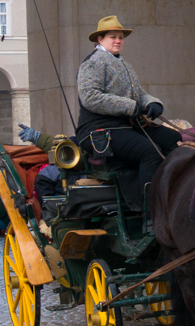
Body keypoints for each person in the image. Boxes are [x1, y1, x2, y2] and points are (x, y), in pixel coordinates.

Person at [76, 16, 180, 194]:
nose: (118, 41)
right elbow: (90, 97)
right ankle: (150, 213)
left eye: (120, 37)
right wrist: (130, 107)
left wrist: (153, 103)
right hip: (98, 131)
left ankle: (171, 191)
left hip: (125, 128)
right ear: (100, 39)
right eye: (113, 37)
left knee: (172, 138)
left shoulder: (124, 64)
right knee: (149, 152)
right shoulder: (93, 63)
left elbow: (139, 94)